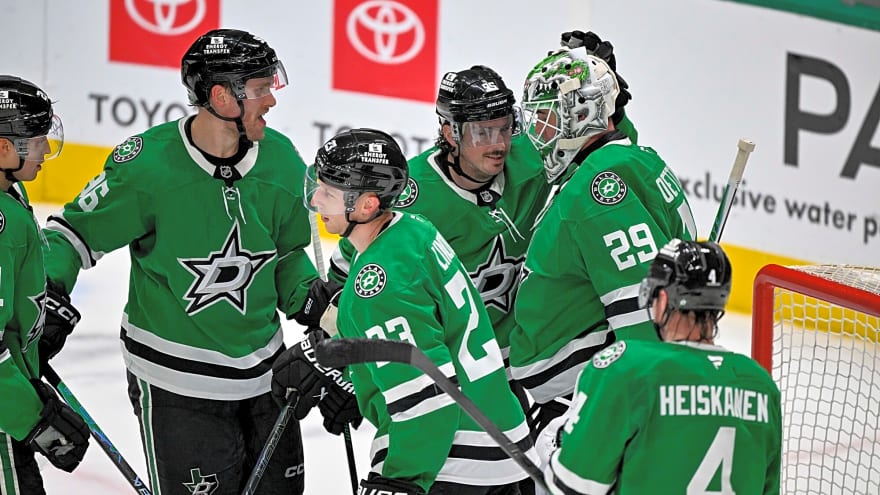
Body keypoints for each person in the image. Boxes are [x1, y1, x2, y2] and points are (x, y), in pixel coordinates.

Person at [40, 29, 317, 494]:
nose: (271, 101)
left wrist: (317, 303)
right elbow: (71, 235)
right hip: (177, 386)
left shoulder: (283, 161)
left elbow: (288, 257)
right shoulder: (147, 168)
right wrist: (45, 292)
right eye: (260, 89)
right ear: (220, 96)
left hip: (266, 379)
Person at [273, 128, 538, 494]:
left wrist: (398, 480)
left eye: (329, 192)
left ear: (367, 205)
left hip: (452, 463)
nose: (317, 200)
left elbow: (428, 397)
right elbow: (425, 340)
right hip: (500, 441)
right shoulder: (413, 230)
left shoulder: (377, 282)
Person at [509, 47, 698, 432]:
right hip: (584, 380)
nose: (538, 134)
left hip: (589, 390)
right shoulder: (625, 159)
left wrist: (646, 408)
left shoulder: (598, 187)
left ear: (581, 115)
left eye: (547, 118)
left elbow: (641, 305)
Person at [541, 239, 782, 494]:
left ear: (663, 300)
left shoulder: (627, 368)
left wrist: (554, 447)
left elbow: (572, 484)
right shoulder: (761, 385)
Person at [0, 75, 90, 494]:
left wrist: (35, 323)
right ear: (5, 148)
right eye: (38, 141)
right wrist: (34, 419)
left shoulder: (9, 192)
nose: (46, 152)